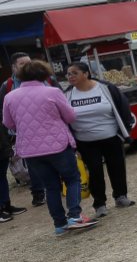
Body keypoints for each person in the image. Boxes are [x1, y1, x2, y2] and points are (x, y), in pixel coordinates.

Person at [2, 60, 98, 236]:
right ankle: (74, 216)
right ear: (44, 74)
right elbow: (70, 116)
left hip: (30, 150)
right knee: (72, 179)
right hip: (58, 145)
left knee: (51, 186)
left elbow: (8, 123)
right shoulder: (52, 92)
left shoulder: (10, 97)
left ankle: (60, 225)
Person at [63, 62, 136, 218]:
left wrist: (125, 130)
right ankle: (100, 204)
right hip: (85, 141)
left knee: (116, 167)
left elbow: (122, 106)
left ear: (86, 74)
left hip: (111, 137)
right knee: (95, 171)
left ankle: (121, 196)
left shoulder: (106, 88)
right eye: (68, 74)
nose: (70, 77)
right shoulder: (67, 94)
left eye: (74, 73)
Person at [1, 52, 59, 206]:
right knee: (33, 165)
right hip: (25, 134)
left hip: (51, 130)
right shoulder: (7, 87)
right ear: (13, 68)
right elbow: (4, 116)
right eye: (22, 64)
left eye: (29, 62)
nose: (28, 67)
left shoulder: (48, 80)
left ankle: (58, 188)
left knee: (56, 160)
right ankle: (38, 193)